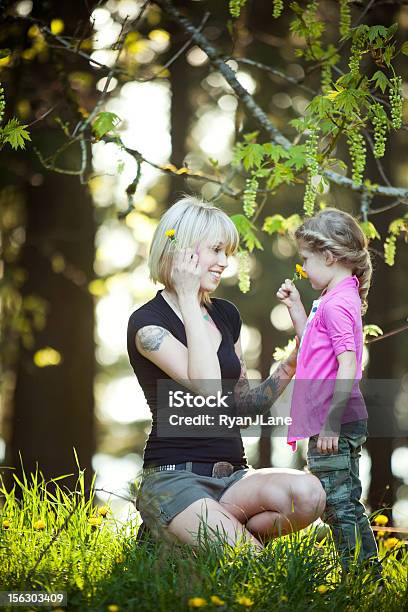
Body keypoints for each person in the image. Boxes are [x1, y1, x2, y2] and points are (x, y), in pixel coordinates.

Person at [127, 196, 325, 551]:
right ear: (183, 252)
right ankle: (186, 529)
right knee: (253, 564)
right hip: (175, 478)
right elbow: (205, 386)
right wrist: (188, 296)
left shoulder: (226, 315)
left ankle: (186, 542)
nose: (224, 262)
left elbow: (242, 405)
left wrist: (290, 364)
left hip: (234, 476)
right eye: (216, 250)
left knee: (309, 495)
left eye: (227, 253)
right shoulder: (148, 325)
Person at [276, 208, 382, 579]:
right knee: (344, 502)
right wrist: (296, 309)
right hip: (335, 419)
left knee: (337, 505)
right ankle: (368, 577)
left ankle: (360, 579)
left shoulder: (337, 303)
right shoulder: (334, 296)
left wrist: (332, 425)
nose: (302, 268)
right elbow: (313, 350)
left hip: (333, 421)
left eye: (305, 259)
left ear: (329, 256)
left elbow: (349, 365)